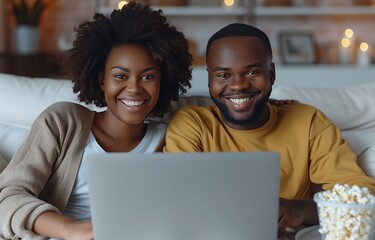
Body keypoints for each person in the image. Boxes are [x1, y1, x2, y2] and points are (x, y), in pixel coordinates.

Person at [0, 2, 192, 239]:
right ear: (102, 80)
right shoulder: (62, 123)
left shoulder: (174, 137)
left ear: (163, 81)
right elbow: (9, 196)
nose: (134, 88)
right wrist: (73, 230)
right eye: (120, 76)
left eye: (148, 76)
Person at [163, 23, 375, 235]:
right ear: (209, 79)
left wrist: (297, 210)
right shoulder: (192, 124)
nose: (238, 85)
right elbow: (178, 200)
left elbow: (361, 197)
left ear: (271, 74)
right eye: (223, 75)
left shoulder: (309, 122)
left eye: (252, 72)